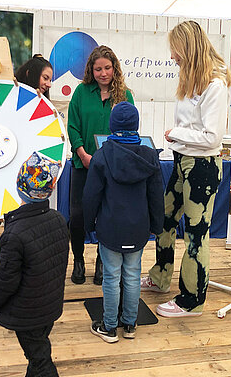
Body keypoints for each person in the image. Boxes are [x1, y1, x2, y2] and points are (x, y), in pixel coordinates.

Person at [139, 20, 231, 317]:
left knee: (196, 234)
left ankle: (192, 300)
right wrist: (178, 136)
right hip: (182, 162)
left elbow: (212, 137)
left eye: (175, 50)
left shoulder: (215, 85)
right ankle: (160, 277)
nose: (172, 57)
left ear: (187, 48)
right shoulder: (190, 79)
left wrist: (176, 133)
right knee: (165, 221)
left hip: (202, 168)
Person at [83, 102, 163, 342]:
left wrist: (89, 225)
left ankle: (109, 327)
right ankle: (130, 325)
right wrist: (156, 226)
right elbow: (156, 196)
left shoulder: (102, 155)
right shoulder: (150, 156)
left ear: (112, 126)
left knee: (111, 277)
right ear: (136, 126)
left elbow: (90, 195)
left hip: (110, 229)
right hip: (138, 230)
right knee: (132, 275)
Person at [0, 55, 54, 297]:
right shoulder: (7, 98)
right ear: (31, 75)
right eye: (45, 78)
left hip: (26, 181)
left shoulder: (42, 106)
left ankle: (12, 274)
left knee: (18, 229)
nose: (49, 84)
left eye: (51, 79)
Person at [0, 152, 69, 376]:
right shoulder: (58, 219)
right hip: (49, 305)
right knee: (37, 353)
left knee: (40, 360)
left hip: (27, 313)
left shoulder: (15, 233)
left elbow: (4, 281)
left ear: (20, 185)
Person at [67, 45, 134, 285]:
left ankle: (101, 263)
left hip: (112, 168)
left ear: (114, 68)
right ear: (90, 70)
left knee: (107, 215)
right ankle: (78, 260)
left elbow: (130, 130)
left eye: (107, 68)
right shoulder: (81, 92)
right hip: (82, 163)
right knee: (77, 215)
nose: (103, 73)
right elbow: (72, 125)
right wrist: (83, 154)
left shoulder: (124, 95)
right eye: (98, 69)